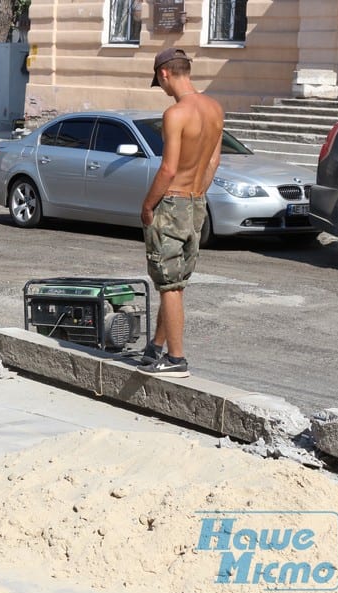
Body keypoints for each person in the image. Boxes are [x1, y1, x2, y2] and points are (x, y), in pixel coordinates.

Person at [138, 48, 223, 378]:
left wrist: (148, 205)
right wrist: (197, 193)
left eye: (160, 84)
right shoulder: (216, 109)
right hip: (196, 202)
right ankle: (155, 348)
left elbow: (169, 168)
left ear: (165, 74)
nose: (162, 89)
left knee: (169, 285)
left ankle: (176, 360)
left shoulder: (175, 114)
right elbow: (214, 161)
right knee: (175, 281)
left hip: (171, 202)